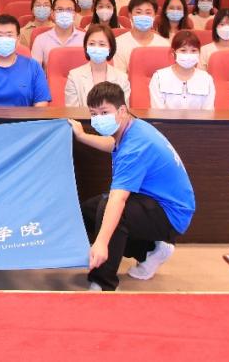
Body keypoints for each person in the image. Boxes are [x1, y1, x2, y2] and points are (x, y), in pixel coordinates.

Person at [71, 82, 195, 291]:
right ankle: (149, 250)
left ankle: (103, 283)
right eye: (94, 113)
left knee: (111, 211)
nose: (99, 118)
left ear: (121, 110)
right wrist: (82, 136)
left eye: (104, 112)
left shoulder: (135, 148)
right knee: (90, 211)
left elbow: (118, 199)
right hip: (155, 201)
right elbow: (113, 145)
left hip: (172, 213)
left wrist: (101, 243)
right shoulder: (132, 126)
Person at [65, 24, 131, 107]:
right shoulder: (74, 76)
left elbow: (122, 111)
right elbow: (72, 111)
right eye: (92, 44)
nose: (96, 48)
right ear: (86, 47)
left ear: (110, 48)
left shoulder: (122, 78)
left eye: (102, 44)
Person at [148, 30, 215, 110]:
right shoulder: (159, 77)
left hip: (199, 119)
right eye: (183, 50)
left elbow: (208, 112)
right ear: (173, 53)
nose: (189, 55)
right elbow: (157, 112)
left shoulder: (206, 78)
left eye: (193, 51)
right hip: (165, 118)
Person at [113, 0, 169, 73]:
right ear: (130, 15)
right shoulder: (118, 43)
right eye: (138, 12)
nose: (143, 16)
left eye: (148, 12)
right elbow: (119, 77)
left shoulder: (164, 45)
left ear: (154, 15)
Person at [31, 0, 84, 67]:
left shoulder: (85, 39)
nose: (64, 13)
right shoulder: (40, 39)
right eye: (60, 9)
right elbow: (35, 71)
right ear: (52, 14)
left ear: (75, 14)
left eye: (69, 10)